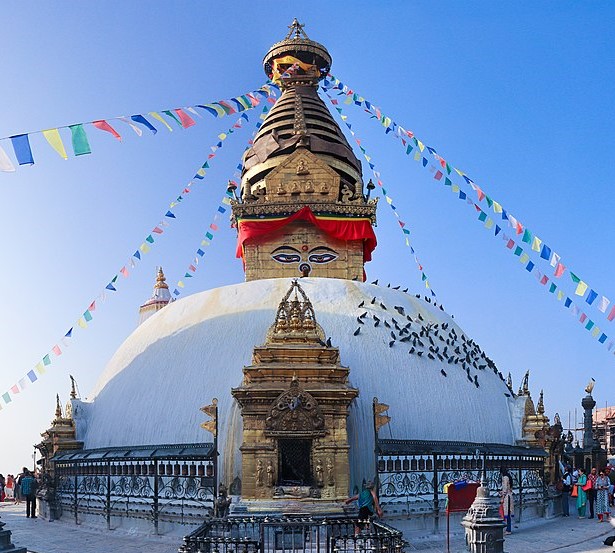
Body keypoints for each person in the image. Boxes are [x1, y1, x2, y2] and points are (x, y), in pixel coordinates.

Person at [500, 468, 514, 534]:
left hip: (507, 498)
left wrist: (502, 497)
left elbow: (505, 489)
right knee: (508, 513)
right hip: (509, 496)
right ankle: (508, 529)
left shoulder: (505, 478)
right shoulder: (509, 477)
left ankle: (508, 529)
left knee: (506, 513)